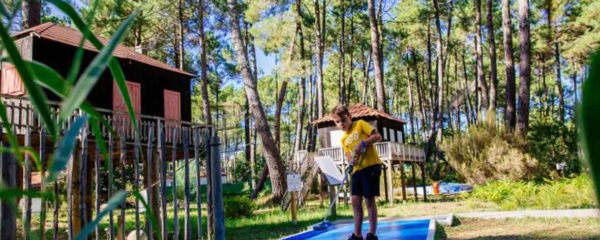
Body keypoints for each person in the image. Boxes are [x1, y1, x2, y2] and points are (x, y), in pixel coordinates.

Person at [331, 104, 383, 240]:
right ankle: (358, 235)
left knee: (369, 200)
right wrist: (351, 161)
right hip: (357, 170)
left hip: (371, 166)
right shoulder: (343, 140)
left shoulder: (360, 124)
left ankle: (372, 234)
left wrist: (363, 144)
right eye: (337, 122)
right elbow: (348, 156)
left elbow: (378, 136)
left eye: (343, 120)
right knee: (355, 201)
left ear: (349, 117)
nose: (341, 124)